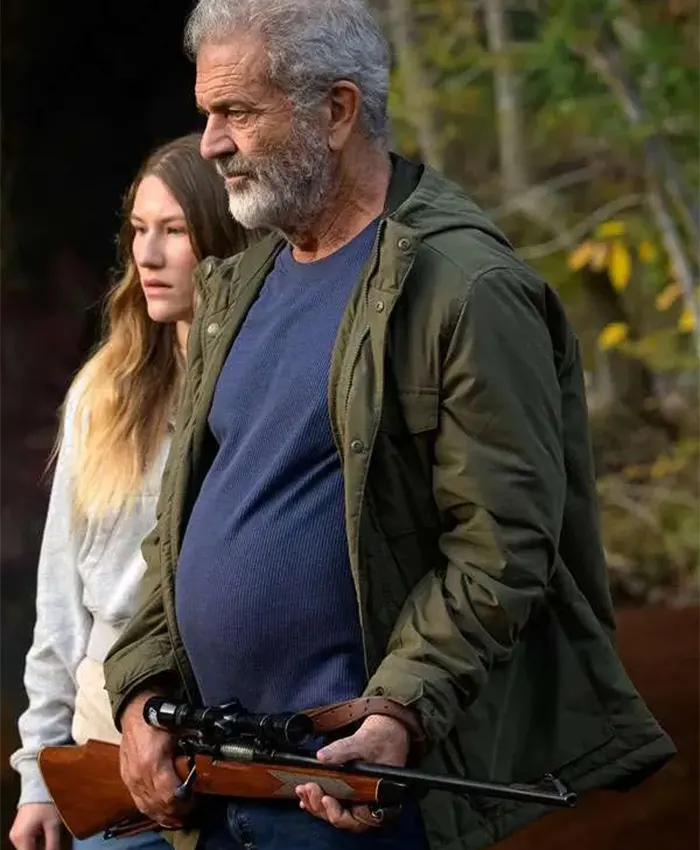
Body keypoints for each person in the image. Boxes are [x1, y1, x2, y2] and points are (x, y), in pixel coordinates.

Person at [103, 2, 676, 850]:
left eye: (238, 112)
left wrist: (399, 709)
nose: (213, 143)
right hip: (211, 783)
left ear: (337, 111)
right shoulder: (239, 285)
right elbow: (178, 530)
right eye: (207, 114)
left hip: (345, 793)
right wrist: (142, 692)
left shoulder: (467, 288)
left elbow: (503, 544)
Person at [9, 133, 255, 850]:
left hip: (243, 747)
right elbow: (61, 603)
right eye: (139, 230)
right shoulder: (105, 394)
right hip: (112, 752)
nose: (147, 255)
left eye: (174, 231)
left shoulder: (267, 386)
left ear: (223, 238)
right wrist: (38, 774)